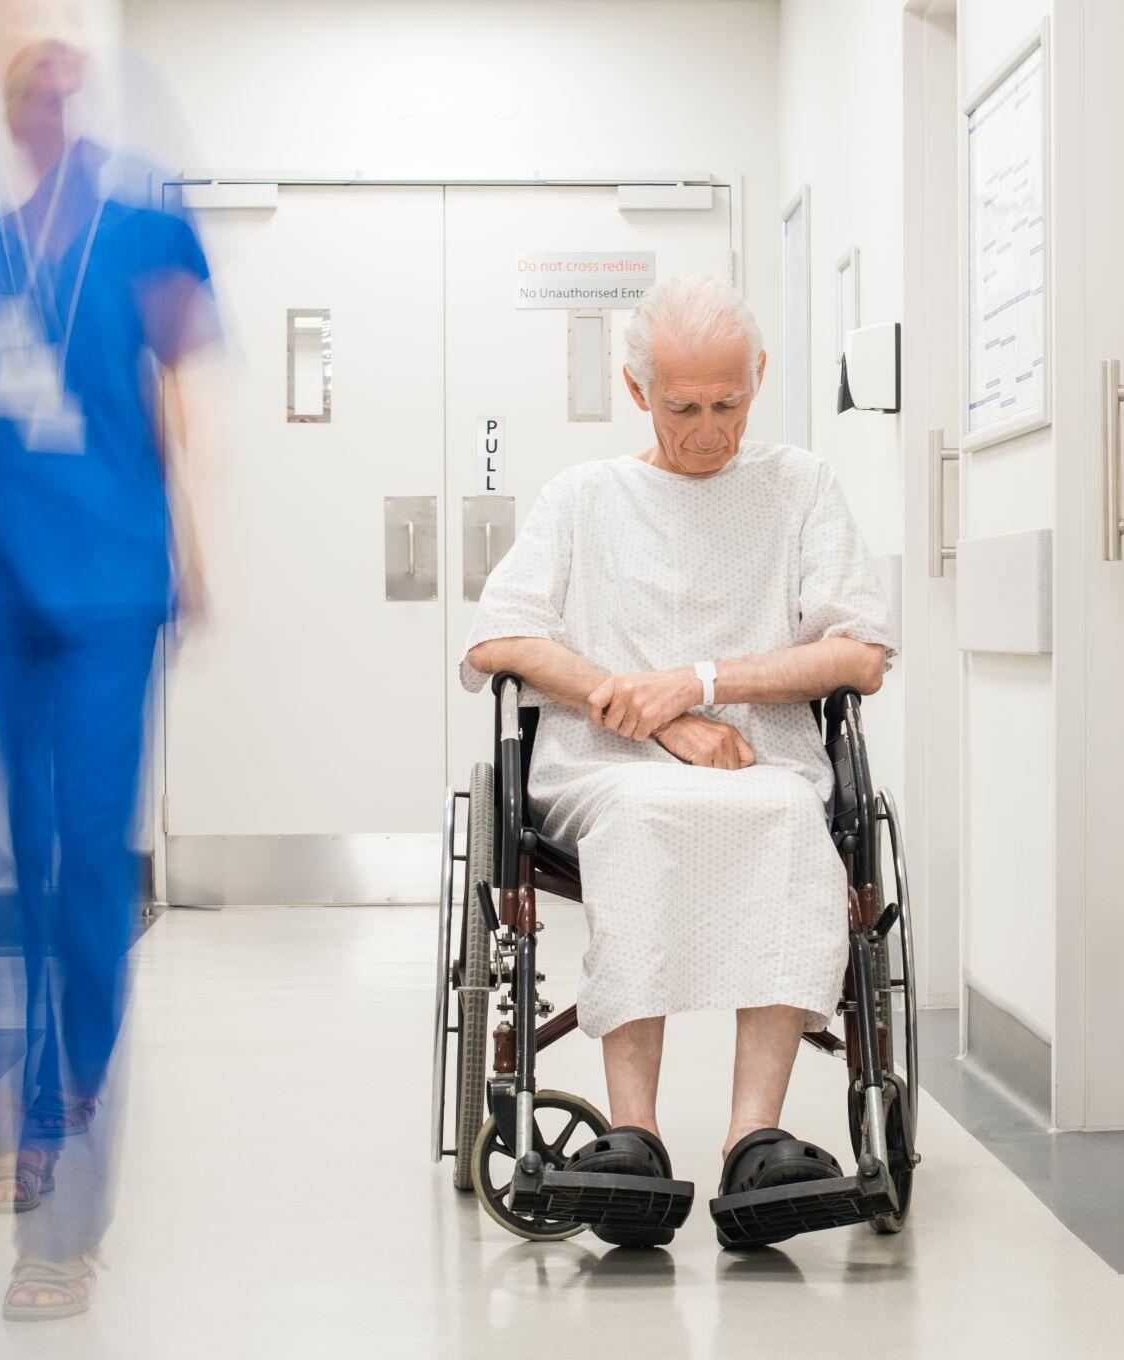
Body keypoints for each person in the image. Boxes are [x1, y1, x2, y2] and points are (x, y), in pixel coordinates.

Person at [461, 274, 895, 1249]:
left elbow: (858, 653)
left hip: (765, 771)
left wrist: (696, 681)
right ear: (635, 390)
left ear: (759, 377)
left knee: (786, 818)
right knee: (643, 812)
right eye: (682, 406)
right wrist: (645, 710)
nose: (707, 430)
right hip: (605, 775)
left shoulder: (799, 487)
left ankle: (757, 1138)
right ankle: (632, 1135)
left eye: (729, 404)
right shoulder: (584, 498)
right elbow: (500, 640)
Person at [0, 32, 218, 1319]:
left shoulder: (147, 227)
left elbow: (174, 391)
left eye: (64, 76)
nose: (46, 92)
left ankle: (65, 1200)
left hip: (100, 593)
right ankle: (20, 1119)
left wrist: (188, 537)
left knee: (81, 871)